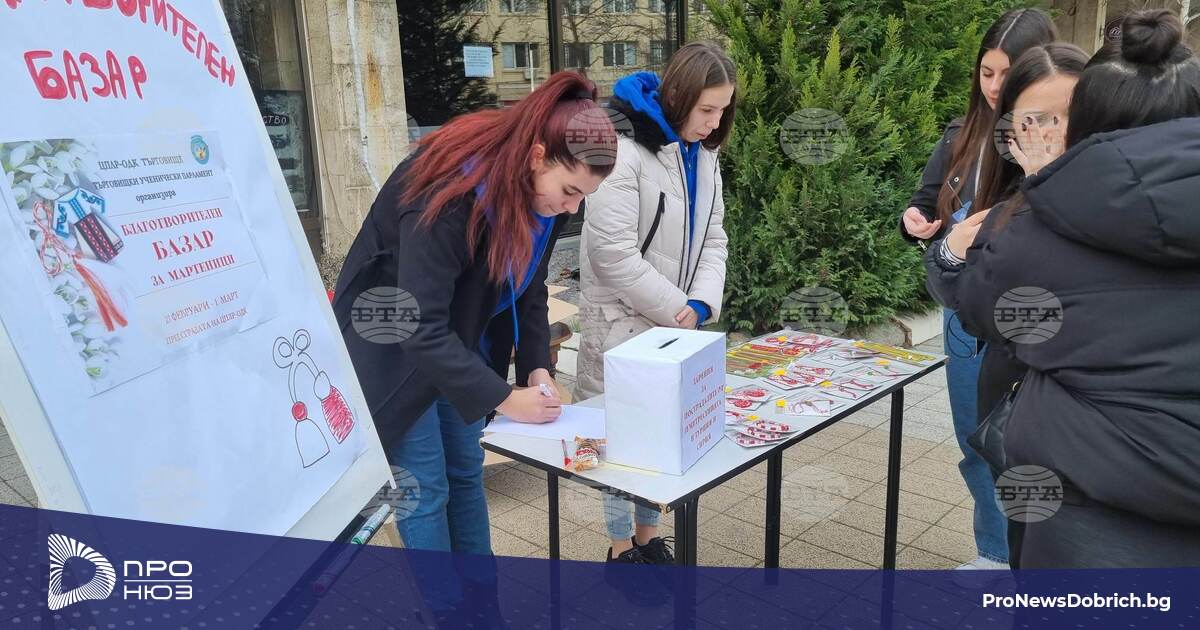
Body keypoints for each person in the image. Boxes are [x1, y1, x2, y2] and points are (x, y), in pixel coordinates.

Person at [935, 9, 1200, 567]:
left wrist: (1038, 193)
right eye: (1028, 120)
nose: (1045, 134)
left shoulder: (1043, 223)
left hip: (1082, 513)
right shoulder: (970, 146)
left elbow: (975, 300)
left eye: (1062, 117)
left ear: (1089, 119)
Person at [332, 71, 615, 557]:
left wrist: (536, 367)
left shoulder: (546, 193)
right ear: (537, 156)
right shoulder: (447, 192)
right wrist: (505, 398)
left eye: (583, 196)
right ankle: (446, 598)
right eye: (570, 190)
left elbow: (530, 286)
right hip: (392, 341)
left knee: (465, 471)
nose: (573, 207)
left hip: (453, 337)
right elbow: (420, 327)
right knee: (425, 490)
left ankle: (480, 593)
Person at [899, 7, 1057, 571]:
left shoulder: (1058, 141)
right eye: (986, 72)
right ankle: (993, 553)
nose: (993, 86)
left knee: (1031, 449)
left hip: (1031, 321)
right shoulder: (961, 135)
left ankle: (1033, 565)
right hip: (964, 317)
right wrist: (917, 222)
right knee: (977, 441)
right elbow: (926, 201)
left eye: (1006, 74)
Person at [575, 41, 735, 564]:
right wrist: (679, 309)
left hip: (674, 323)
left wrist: (701, 303)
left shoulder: (703, 154)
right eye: (706, 109)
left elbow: (714, 238)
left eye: (723, 110)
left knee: (662, 432)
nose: (714, 123)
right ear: (679, 97)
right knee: (618, 438)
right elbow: (611, 253)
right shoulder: (623, 149)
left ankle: (648, 537)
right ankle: (621, 547)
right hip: (621, 321)